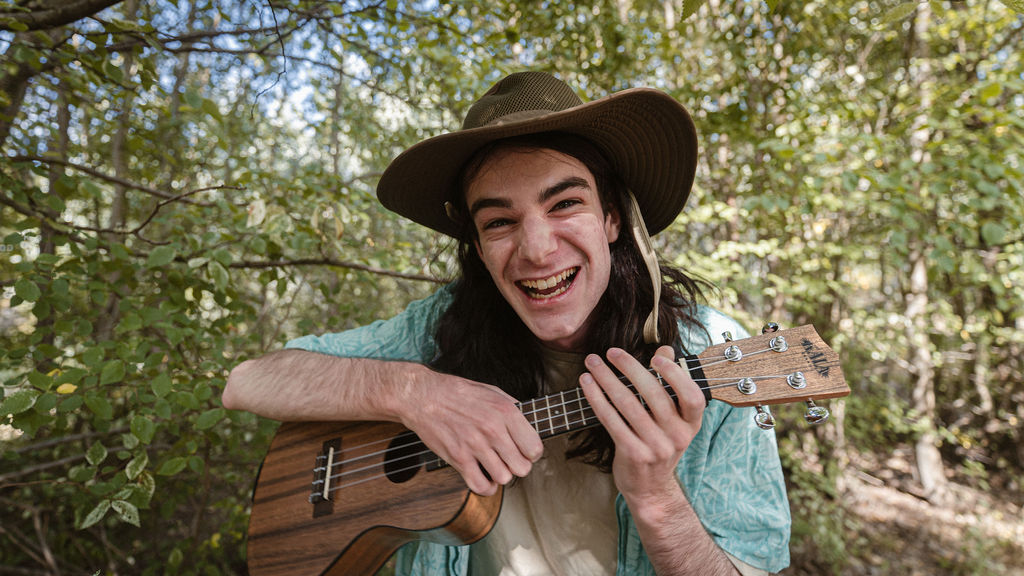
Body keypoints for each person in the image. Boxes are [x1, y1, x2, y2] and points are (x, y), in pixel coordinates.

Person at [223, 71, 790, 575]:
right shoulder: (440, 325)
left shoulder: (714, 354)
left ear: (612, 219)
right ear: (477, 244)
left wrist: (657, 501)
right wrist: (410, 390)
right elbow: (247, 382)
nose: (537, 250)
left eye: (564, 204)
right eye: (499, 221)